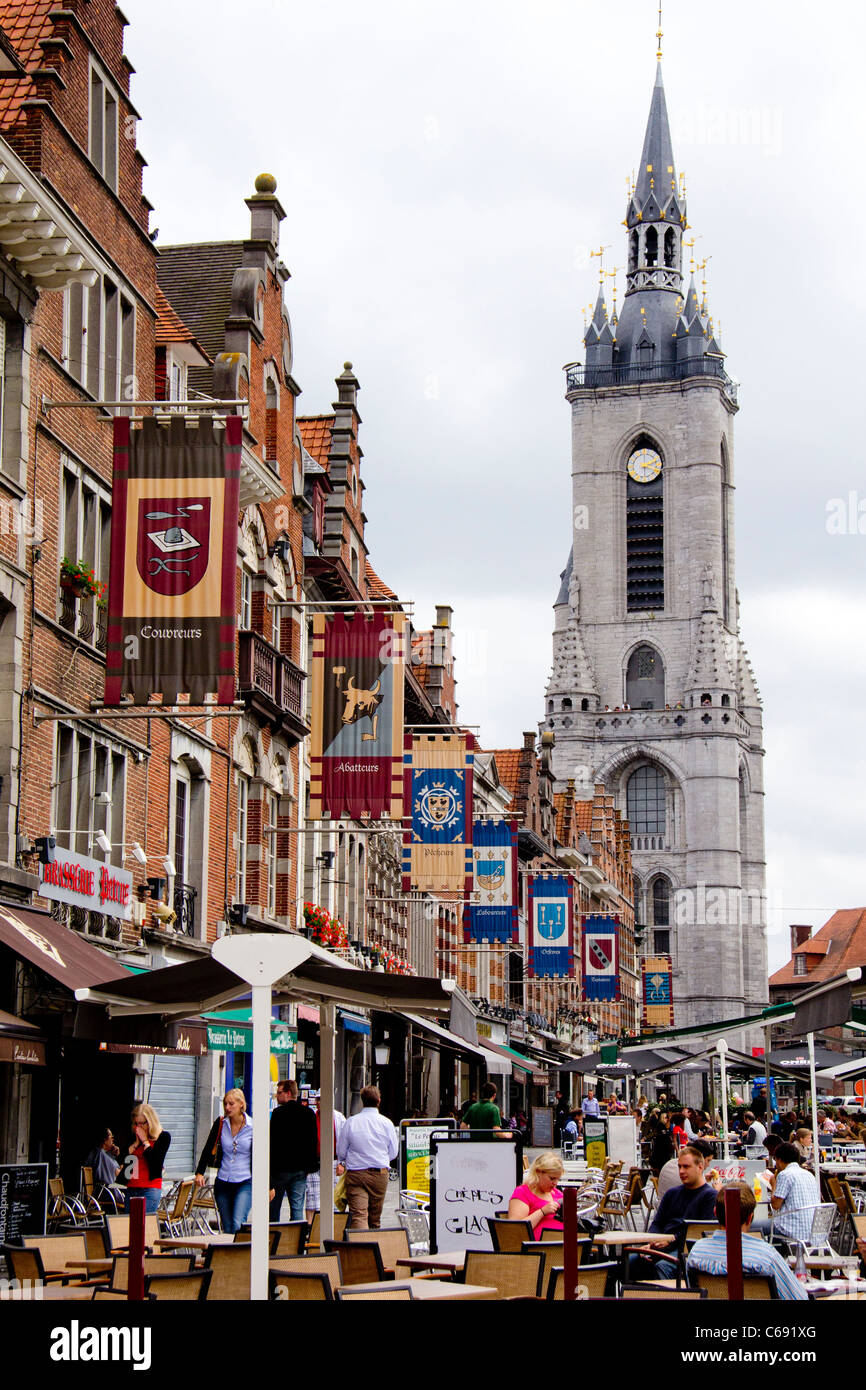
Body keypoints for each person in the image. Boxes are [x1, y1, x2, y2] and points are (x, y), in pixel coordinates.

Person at [687, 1183, 808, 1300]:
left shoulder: (697, 1251)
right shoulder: (766, 1256)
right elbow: (799, 1297)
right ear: (750, 1218)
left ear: (715, 1213)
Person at [628, 1144, 718, 1281]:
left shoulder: (710, 1196)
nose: (681, 1171)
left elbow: (699, 1231)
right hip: (663, 1246)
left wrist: (670, 1240)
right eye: (680, 1167)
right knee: (629, 1260)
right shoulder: (672, 1194)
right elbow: (657, 1223)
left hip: (687, 1249)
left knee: (663, 1266)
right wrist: (653, 1241)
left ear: (700, 1167)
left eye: (686, 1167)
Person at [337, 1084, 399, 1231]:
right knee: (375, 1218)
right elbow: (393, 1152)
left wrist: (347, 1160)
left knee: (359, 1215)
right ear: (379, 1100)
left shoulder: (351, 1122)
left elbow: (341, 1151)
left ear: (362, 1101)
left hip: (357, 1174)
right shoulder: (387, 1123)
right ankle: (373, 1245)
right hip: (380, 1174)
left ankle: (361, 1248)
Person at [195, 1088, 252, 1233]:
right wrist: (199, 1172)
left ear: (241, 1104)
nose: (227, 1108)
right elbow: (208, 1148)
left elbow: (262, 1156)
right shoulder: (221, 1123)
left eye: (231, 1104)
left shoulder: (252, 1127)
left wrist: (268, 1184)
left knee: (237, 1223)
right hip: (223, 1181)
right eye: (225, 1104)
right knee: (227, 1227)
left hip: (244, 1180)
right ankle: (228, 1255)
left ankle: (238, 1254)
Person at [265, 1078, 318, 1222]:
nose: (277, 1096)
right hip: (300, 1170)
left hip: (280, 1170)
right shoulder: (308, 1113)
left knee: (274, 1209)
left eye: (279, 1092)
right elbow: (313, 1142)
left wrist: (270, 1169)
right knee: (297, 1209)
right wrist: (310, 1167)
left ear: (288, 1093)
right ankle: (297, 1240)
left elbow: (272, 1143)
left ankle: (273, 1240)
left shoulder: (278, 1114)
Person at [758, 1141, 820, 1245]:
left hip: (792, 1228)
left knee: (749, 1225)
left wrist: (774, 1184)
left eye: (775, 1160)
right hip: (813, 1229)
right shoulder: (809, 1174)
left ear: (780, 1160)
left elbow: (776, 1205)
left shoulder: (785, 1175)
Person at [305, 1093, 346, 1223]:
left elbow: (345, 1142)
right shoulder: (311, 1116)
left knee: (334, 1200)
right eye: (317, 1099)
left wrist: (342, 1163)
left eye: (322, 1099)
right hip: (314, 1163)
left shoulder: (339, 1118)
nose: (319, 1102)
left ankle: (336, 1229)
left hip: (333, 1161)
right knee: (312, 1200)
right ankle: (310, 1231)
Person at [124, 1104, 171, 1214]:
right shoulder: (134, 1137)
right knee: (129, 1226)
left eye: (142, 1123)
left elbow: (155, 1163)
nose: (138, 1127)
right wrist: (133, 1147)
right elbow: (124, 1165)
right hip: (132, 1187)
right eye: (136, 1123)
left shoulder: (163, 1137)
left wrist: (145, 1142)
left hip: (150, 1188)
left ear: (150, 1122)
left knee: (143, 1225)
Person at [508, 1152, 564, 1235]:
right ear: (538, 1172)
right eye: (552, 1178)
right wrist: (542, 1212)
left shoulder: (557, 1194)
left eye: (558, 1179)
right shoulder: (523, 1192)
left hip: (562, 1242)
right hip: (537, 1246)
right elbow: (515, 1229)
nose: (555, 1183)